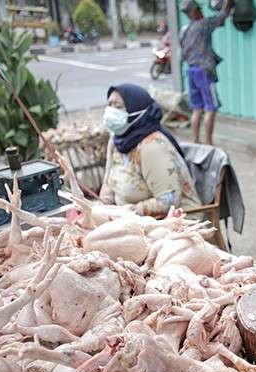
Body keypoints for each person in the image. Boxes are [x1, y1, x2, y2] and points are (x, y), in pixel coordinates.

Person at [99, 84, 201, 216]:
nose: (111, 111)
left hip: (174, 220)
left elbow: (168, 200)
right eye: (110, 105)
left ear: (137, 110)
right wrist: (102, 207)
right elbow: (108, 183)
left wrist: (126, 212)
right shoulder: (116, 140)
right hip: (131, 219)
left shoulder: (152, 146)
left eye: (118, 107)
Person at [179, 0, 233, 146]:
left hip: (191, 71)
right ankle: (209, 143)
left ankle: (196, 141)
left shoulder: (184, 30)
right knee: (210, 109)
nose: (202, 12)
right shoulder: (203, 24)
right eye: (199, 9)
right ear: (194, 12)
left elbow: (182, 54)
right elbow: (222, 16)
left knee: (197, 109)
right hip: (204, 72)